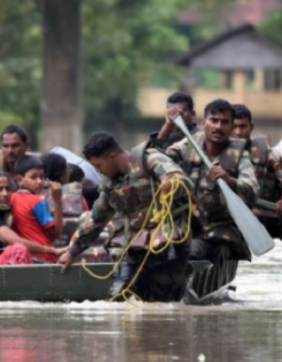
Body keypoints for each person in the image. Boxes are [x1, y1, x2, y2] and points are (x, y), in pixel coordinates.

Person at [58, 132, 193, 302]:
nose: (98, 171)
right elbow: (96, 219)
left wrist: (170, 183)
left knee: (162, 301)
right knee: (118, 296)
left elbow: (181, 180)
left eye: (99, 165)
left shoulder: (149, 159)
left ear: (112, 156)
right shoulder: (110, 183)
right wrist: (72, 252)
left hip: (168, 244)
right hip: (135, 246)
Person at [163, 99, 259, 294]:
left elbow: (252, 189)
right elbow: (156, 158)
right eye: (214, 120)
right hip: (183, 227)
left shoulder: (240, 155)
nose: (218, 127)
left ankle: (183, 288)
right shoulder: (187, 145)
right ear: (203, 122)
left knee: (193, 251)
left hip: (218, 232)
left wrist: (230, 180)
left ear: (231, 127)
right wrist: (167, 127)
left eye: (225, 122)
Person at [0, 171, 66, 265]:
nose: (5, 194)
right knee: (19, 249)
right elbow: (15, 240)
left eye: (8, 189)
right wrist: (52, 251)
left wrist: (57, 201)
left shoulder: (4, 211)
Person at [231, 104, 282, 241]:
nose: (238, 132)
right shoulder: (215, 153)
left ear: (251, 127)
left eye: (243, 126)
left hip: (263, 231)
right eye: (234, 127)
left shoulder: (269, 155)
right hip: (229, 229)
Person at [9, 156, 63, 263]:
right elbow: (56, 233)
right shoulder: (37, 201)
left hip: (22, 256)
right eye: (33, 177)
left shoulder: (11, 198)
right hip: (44, 256)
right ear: (19, 180)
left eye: (42, 177)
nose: (39, 181)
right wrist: (58, 201)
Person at [40, 153, 88, 247]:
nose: (69, 172)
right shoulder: (77, 197)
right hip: (71, 248)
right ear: (62, 176)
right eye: (67, 170)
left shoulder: (32, 195)